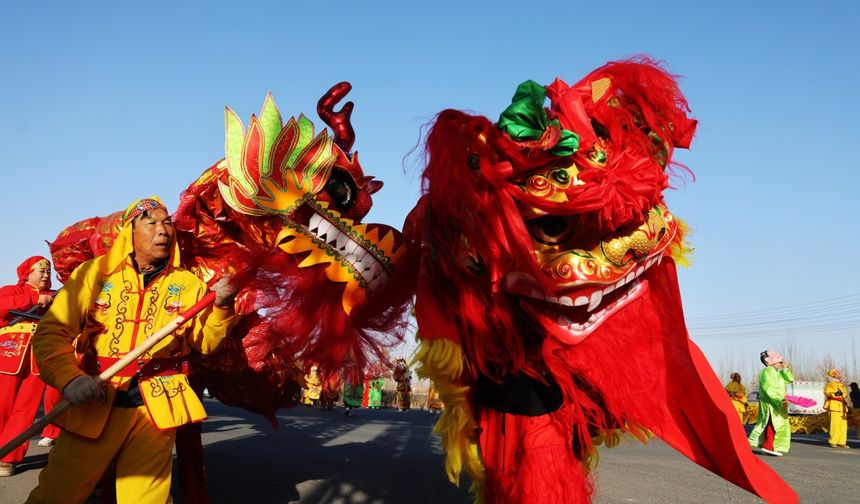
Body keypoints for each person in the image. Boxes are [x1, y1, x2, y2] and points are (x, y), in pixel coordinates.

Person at [26, 197, 237, 504]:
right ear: (129, 233)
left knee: (145, 500)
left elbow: (207, 342)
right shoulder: (93, 274)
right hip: (94, 398)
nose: (162, 230)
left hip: (156, 408)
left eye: (167, 223)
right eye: (151, 223)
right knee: (57, 494)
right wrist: (70, 379)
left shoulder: (188, 284)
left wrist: (221, 305)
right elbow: (50, 333)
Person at [0, 256, 54, 477]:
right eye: (40, 271)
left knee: (26, 410)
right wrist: (34, 298)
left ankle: (8, 457)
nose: (45, 275)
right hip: (9, 354)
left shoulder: (54, 297)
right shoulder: (11, 291)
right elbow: (3, 307)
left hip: (37, 359)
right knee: (2, 404)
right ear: (27, 273)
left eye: (48, 272)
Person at [748, 350, 795, 456]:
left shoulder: (779, 373)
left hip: (778, 403)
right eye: (779, 362)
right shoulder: (766, 372)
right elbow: (767, 388)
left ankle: (771, 446)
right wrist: (779, 399)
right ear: (769, 361)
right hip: (770, 403)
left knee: (778, 425)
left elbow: (790, 379)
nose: (781, 364)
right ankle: (768, 446)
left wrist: (785, 369)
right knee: (771, 423)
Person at [823, 368, 849, 448]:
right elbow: (828, 392)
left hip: (842, 406)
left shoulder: (841, 385)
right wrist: (837, 394)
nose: (839, 373)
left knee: (843, 425)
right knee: (835, 425)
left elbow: (845, 394)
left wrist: (842, 395)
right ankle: (833, 441)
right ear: (833, 374)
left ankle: (842, 442)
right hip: (834, 406)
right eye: (837, 372)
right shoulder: (830, 384)